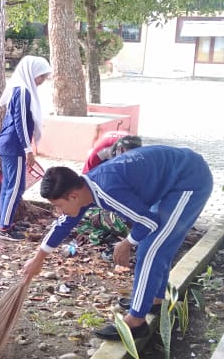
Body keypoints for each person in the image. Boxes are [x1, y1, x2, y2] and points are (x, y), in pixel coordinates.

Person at [20, 145, 213, 341]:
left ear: (73, 196)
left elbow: (148, 223)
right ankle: (155, 300)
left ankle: (135, 322)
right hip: (172, 179)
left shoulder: (107, 191)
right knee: (153, 245)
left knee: (151, 250)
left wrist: (126, 243)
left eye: (59, 206)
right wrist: (39, 257)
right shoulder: (86, 188)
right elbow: (64, 223)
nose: (59, 211)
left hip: (189, 180)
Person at [0, 56, 52, 241]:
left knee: (9, 186)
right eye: (41, 76)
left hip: (10, 144)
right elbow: (19, 123)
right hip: (14, 145)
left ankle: (6, 223)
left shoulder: (20, 89)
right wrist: (28, 150)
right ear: (32, 73)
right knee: (15, 188)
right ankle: (4, 229)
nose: (42, 80)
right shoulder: (22, 91)